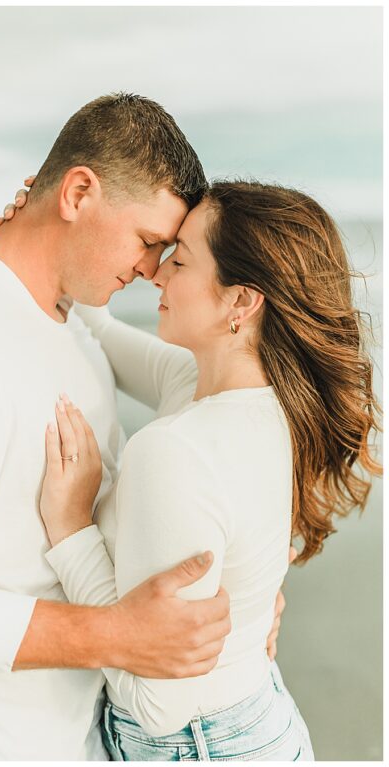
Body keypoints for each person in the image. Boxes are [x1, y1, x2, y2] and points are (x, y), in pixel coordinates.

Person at [0, 93, 251, 760]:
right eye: (147, 242)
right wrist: (114, 635)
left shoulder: (74, 320)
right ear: (78, 192)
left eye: (167, 251)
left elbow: (221, 390)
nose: (150, 270)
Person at [33, 180, 381, 760]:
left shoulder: (176, 451)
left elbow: (156, 705)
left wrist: (72, 529)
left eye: (182, 259)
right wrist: (50, 238)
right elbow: (98, 331)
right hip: (258, 721)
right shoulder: (272, 403)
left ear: (240, 302)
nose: (157, 273)